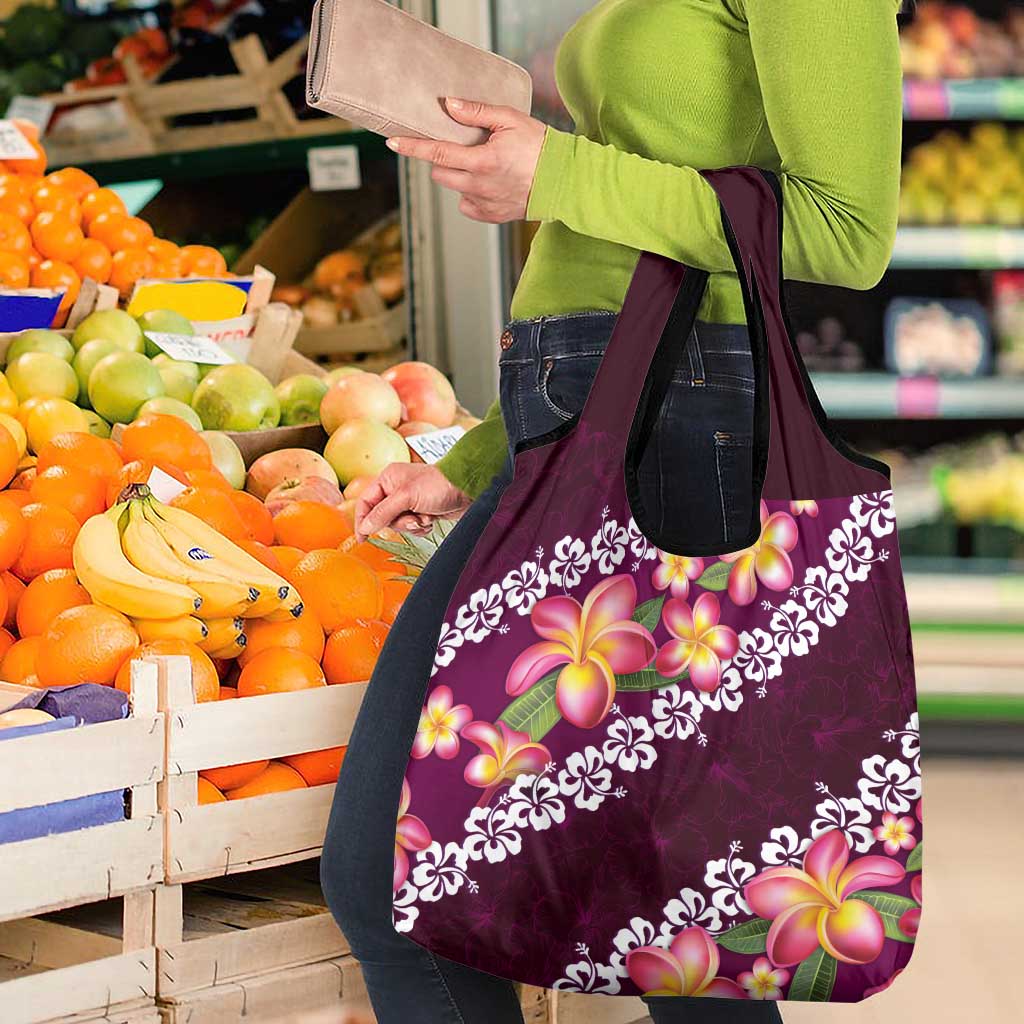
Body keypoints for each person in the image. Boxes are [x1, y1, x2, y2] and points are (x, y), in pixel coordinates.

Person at [321, 2, 904, 1021]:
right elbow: (621, 244)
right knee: (654, 920)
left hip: (676, 439)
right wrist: (479, 457)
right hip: (585, 429)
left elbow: (847, 230)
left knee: (652, 916)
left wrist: (557, 172)